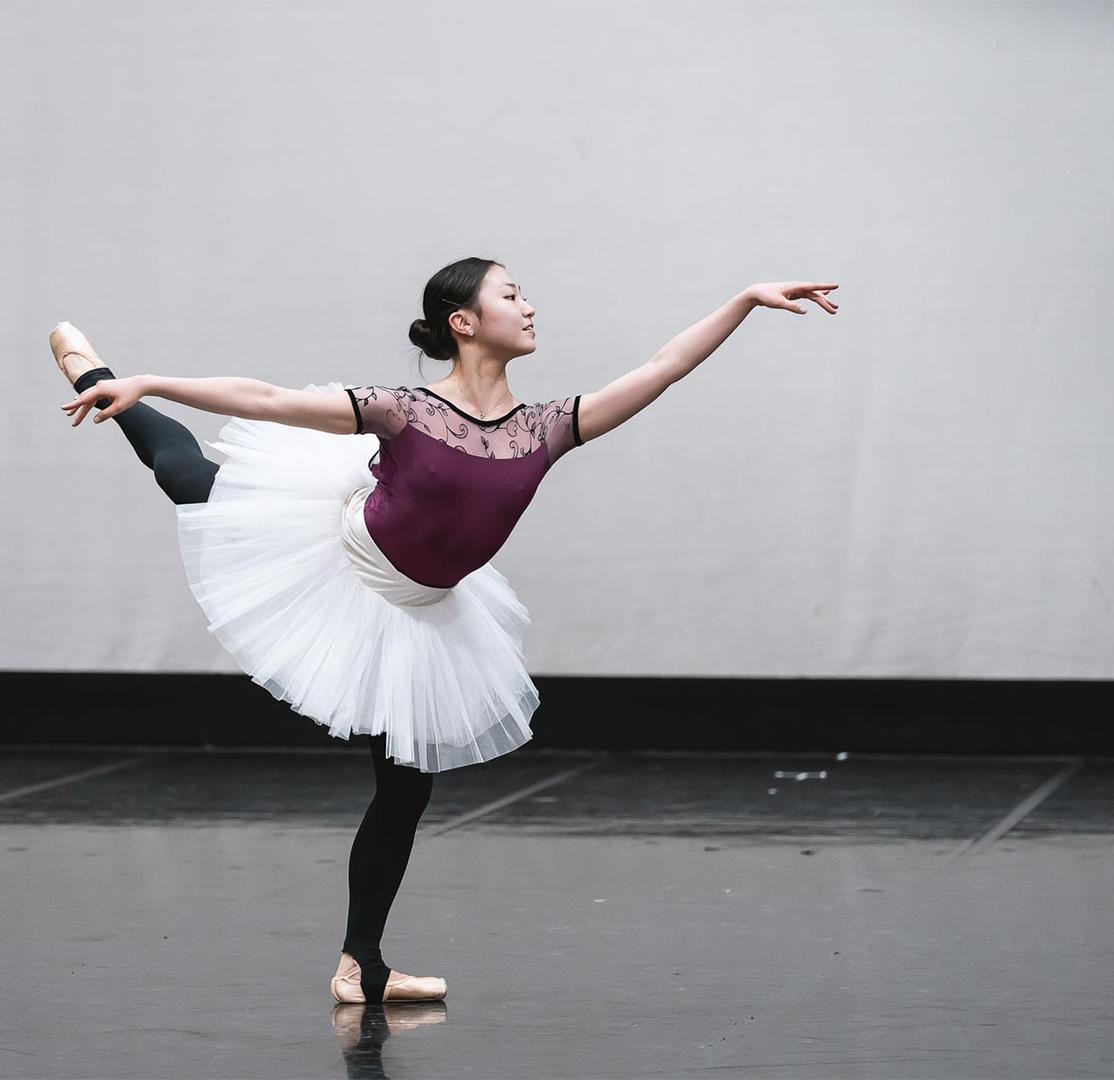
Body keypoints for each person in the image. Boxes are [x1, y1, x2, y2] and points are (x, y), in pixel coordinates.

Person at [49, 257, 838, 1003]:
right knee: (191, 479)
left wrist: (742, 300)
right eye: (511, 294)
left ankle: (362, 964)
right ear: (463, 321)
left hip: (425, 612)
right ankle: (100, 377)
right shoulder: (407, 410)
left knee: (404, 791)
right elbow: (263, 398)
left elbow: (662, 366)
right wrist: (149, 379)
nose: (529, 306)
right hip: (345, 570)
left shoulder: (546, 426)